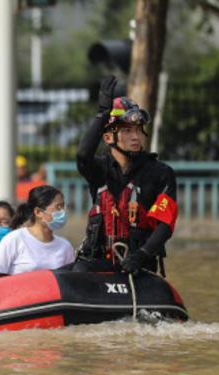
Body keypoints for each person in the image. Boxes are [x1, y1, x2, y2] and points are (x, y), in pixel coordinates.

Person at [73, 75, 178, 276]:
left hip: (139, 264)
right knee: (78, 270)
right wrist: (102, 115)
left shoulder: (160, 173)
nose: (136, 136)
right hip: (99, 260)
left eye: (138, 130)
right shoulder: (99, 169)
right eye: (127, 130)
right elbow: (82, 155)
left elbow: (165, 224)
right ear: (107, 137)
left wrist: (141, 256)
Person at [0, 185, 75, 276]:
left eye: (63, 207)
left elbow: (69, 282)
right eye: (58, 207)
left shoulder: (65, 246)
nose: (62, 212)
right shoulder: (14, 240)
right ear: (38, 212)